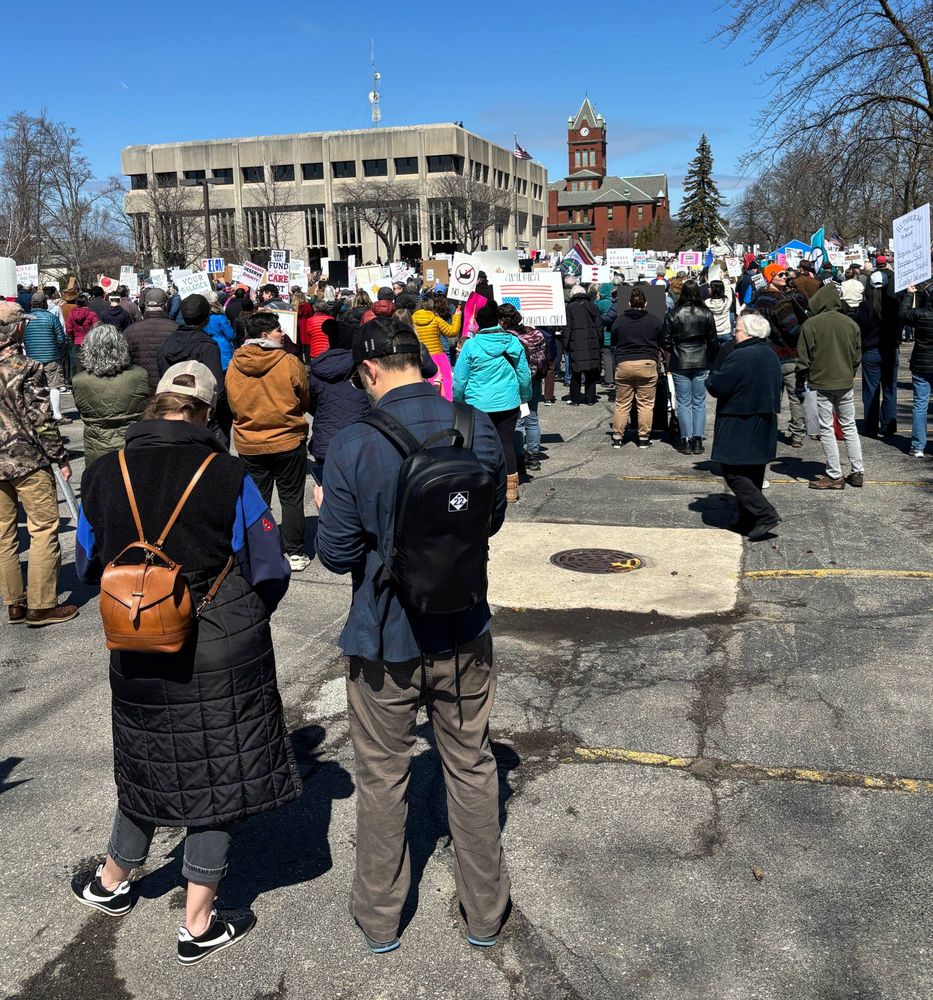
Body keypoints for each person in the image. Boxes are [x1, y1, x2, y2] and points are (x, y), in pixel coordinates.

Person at [72, 361, 299, 965]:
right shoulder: (227, 473)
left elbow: (88, 564)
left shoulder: (103, 472)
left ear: (156, 404)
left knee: (148, 756)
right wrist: (243, 614)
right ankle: (197, 923)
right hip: (219, 636)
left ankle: (114, 880)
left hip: (136, 632)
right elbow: (269, 566)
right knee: (217, 768)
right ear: (207, 412)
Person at [314, 316, 510, 954]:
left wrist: (334, 512)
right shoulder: (475, 426)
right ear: (421, 362)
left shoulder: (351, 444)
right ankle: (485, 913)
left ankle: (380, 919)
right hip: (463, 627)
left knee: (382, 776)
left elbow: (337, 554)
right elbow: (490, 521)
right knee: (472, 765)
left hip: (385, 636)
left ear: (369, 370)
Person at [0, 301, 77, 626]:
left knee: (3, 534)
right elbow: (42, 419)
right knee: (43, 527)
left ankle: (15, 603)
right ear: (16, 329)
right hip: (27, 459)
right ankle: (41, 604)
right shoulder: (27, 367)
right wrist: (60, 457)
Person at [225, 312, 312, 571]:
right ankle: (295, 552)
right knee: (291, 498)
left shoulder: (234, 364)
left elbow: (231, 400)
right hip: (287, 439)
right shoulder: (289, 362)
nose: (282, 334)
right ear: (264, 335)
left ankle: (258, 550)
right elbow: (304, 397)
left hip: (250, 440)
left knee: (257, 498)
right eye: (278, 330)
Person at [707, 312, 783, 539]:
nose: (734, 333)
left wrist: (711, 378)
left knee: (732, 470)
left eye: (737, 330)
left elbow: (717, 385)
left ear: (749, 333)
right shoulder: (770, 353)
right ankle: (747, 518)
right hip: (764, 417)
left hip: (740, 418)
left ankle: (764, 513)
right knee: (753, 471)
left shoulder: (740, 355)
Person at [453, 299, 531, 503]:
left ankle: (482, 486)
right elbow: (524, 374)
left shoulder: (470, 345)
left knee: (479, 444)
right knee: (507, 443)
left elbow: (460, 379)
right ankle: (511, 489)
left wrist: (459, 400)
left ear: (478, 323)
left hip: (478, 403)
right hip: (508, 401)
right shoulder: (512, 342)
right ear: (497, 320)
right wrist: (525, 396)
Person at [796, 283, 863, 489]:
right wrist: (849, 373)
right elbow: (856, 356)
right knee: (849, 426)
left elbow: (803, 359)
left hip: (820, 382)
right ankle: (857, 470)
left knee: (826, 428)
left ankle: (835, 474)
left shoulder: (811, 325)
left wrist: (801, 382)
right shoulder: (851, 324)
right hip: (845, 382)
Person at [72, 325, 150, 467]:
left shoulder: (79, 381)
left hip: (97, 448)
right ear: (121, 347)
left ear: (89, 349)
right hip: (132, 444)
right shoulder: (140, 375)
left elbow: (82, 409)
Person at [753, 262, 807, 447]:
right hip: (787, 354)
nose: (785, 277)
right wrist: (804, 326)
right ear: (770, 278)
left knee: (771, 398)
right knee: (795, 397)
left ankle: (767, 432)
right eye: (780, 275)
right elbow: (792, 329)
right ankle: (797, 434)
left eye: (785, 274)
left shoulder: (759, 301)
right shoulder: (780, 301)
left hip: (766, 355)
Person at [662, 280, 718, 454]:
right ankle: (698, 439)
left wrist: (676, 348)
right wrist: (711, 356)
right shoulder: (706, 313)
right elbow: (713, 340)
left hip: (681, 360)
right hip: (701, 359)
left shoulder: (674, 313)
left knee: (683, 402)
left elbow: (665, 340)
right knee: (699, 402)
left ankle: (685, 439)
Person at [307, 320, 372, 468]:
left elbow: (309, 402)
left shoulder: (318, 368)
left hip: (325, 441)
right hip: (359, 440)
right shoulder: (364, 366)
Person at [610, 287, 664, 449]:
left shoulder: (620, 321)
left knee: (622, 403)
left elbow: (614, 342)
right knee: (645, 404)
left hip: (624, 363)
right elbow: (661, 341)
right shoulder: (654, 321)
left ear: (629, 303)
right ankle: (643, 437)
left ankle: (617, 437)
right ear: (645, 304)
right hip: (647, 363)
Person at [498, 303, 547, 472]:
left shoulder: (509, 338)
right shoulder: (536, 334)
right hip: (536, 379)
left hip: (517, 381)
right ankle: (534, 456)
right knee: (532, 418)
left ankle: (518, 456)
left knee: (517, 421)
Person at [856, 265, 901, 438]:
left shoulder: (865, 306)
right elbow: (899, 326)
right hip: (890, 351)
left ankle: (871, 427)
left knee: (870, 391)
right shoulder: (894, 304)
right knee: (890, 389)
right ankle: (889, 425)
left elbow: (860, 328)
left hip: (871, 351)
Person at [23, 291, 68, 423]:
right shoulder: (51, 318)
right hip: (51, 357)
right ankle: (57, 415)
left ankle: (40, 414)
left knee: (36, 387)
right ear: (44, 303)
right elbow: (61, 339)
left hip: (32, 359)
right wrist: (60, 351)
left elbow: (22, 339)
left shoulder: (26, 320)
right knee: (54, 386)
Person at [900, 285, 933, 457]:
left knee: (920, 405)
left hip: (921, 364)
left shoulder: (921, 315)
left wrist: (909, 295)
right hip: (922, 363)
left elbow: (903, 314)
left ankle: (918, 446)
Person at [124, 288, 179, 391]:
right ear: (165, 305)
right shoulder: (177, 329)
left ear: (145, 305)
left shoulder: (130, 331)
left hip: (139, 387)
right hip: (168, 388)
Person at [412, 294, 462, 401]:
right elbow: (452, 332)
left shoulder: (411, 320)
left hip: (420, 357)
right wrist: (457, 316)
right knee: (445, 387)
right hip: (439, 357)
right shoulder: (435, 319)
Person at [564, 285, 602, 405]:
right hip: (592, 342)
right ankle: (590, 399)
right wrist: (599, 341)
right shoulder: (593, 306)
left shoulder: (570, 307)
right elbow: (599, 326)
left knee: (576, 372)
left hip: (576, 342)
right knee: (591, 372)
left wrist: (566, 344)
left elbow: (567, 328)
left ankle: (575, 399)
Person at [205, 293, 237, 371]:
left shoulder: (202, 318)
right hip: (222, 348)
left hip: (206, 348)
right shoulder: (220, 316)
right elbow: (230, 335)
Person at [707, 279, 735, 344]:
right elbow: (728, 291)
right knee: (725, 350)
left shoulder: (707, 303)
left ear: (713, 290)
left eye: (710, 287)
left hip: (714, 332)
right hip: (726, 331)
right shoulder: (727, 301)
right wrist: (724, 279)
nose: (708, 289)